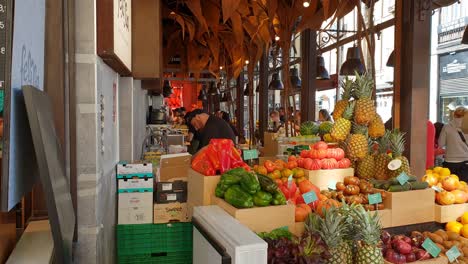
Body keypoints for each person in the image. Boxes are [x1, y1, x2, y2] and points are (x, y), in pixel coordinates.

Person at [438, 107, 468, 181]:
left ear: (454, 115)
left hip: (449, 162)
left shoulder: (446, 127)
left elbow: (441, 144)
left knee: (449, 186)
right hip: (465, 162)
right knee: (463, 187)